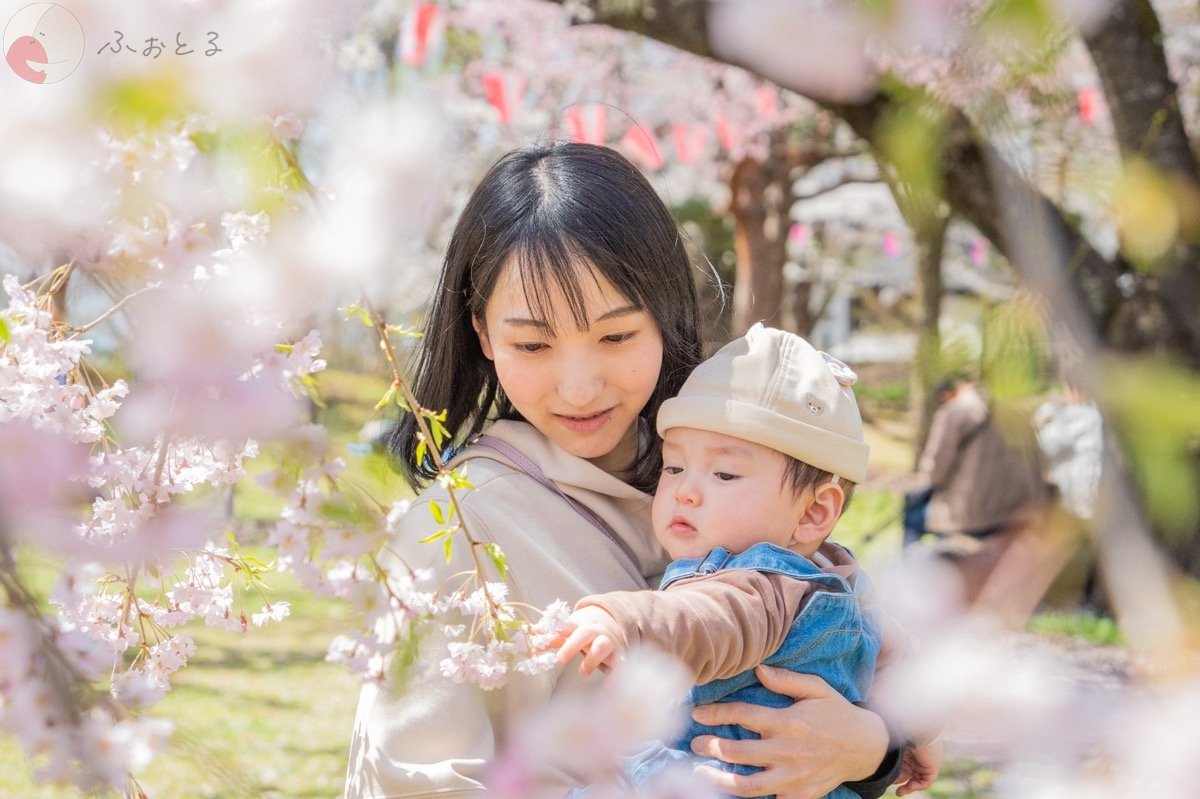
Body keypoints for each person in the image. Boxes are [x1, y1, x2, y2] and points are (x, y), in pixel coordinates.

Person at [343, 143, 904, 799]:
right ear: (483, 334)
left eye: (615, 336)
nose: (580, 387)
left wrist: (874, 748)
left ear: (664, 316)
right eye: (533, 343)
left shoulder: (721, 470)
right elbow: (414, 782)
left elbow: (835, 633)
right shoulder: (451, 528)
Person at [553, 324, 943, 798]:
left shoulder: (757, 586)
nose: (686, 491)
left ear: (814, 512)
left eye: (724, 473)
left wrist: (618, 620)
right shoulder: (844, 582)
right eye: (674, 466)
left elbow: (700, 619)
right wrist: (919, 735)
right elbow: (907, 670)